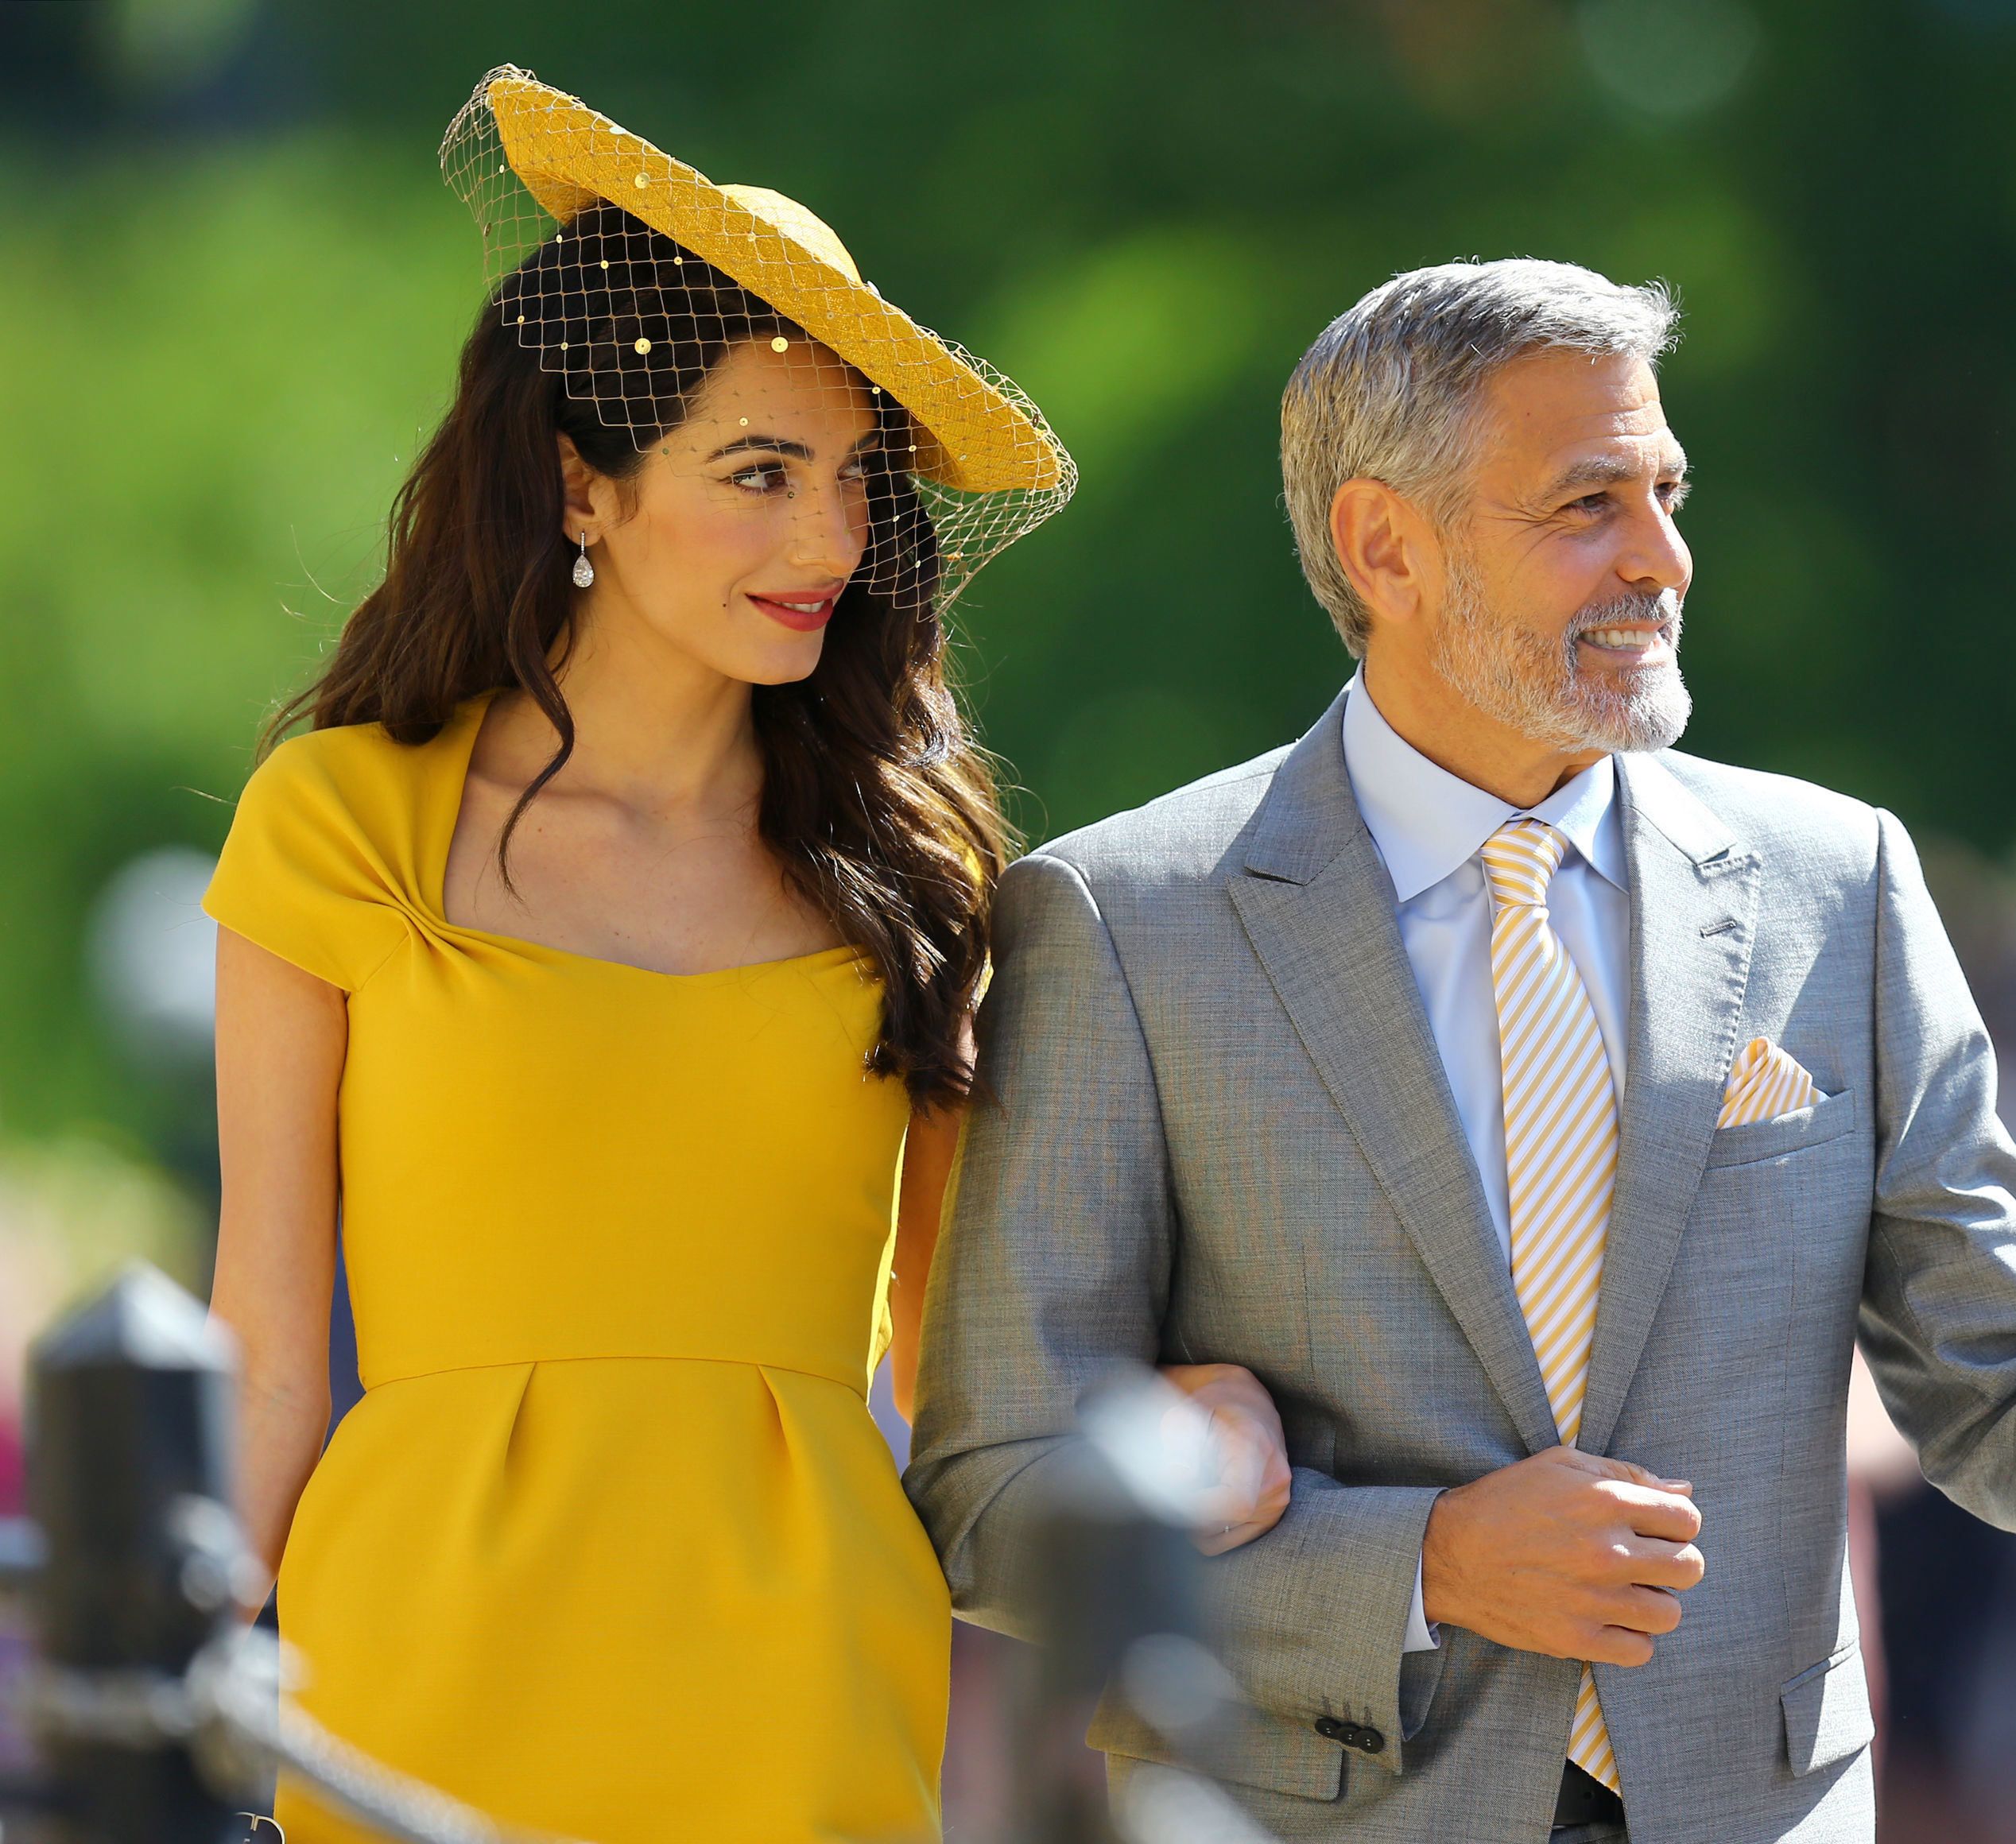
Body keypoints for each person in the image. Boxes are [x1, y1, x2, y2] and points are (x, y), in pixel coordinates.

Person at [905, 259, 2016, 1842]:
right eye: (1588, 503)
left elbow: (2000, 1380)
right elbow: (1000, 1492)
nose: (1661, 556)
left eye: (1666, 492)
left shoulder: (1833, 884)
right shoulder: (1128, 922)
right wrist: (1422, 1563)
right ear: (1384, 545)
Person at [203, 70, 1287, 1843]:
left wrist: (1197, 1445)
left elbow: (971, 1363)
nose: (828, 540)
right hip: (408, 1674)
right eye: (758, 473)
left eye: (853, 480)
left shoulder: (917, 879)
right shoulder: (345, 821)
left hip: (806, 1686)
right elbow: (262, 1342)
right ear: (583, 484)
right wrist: (133, 1673)